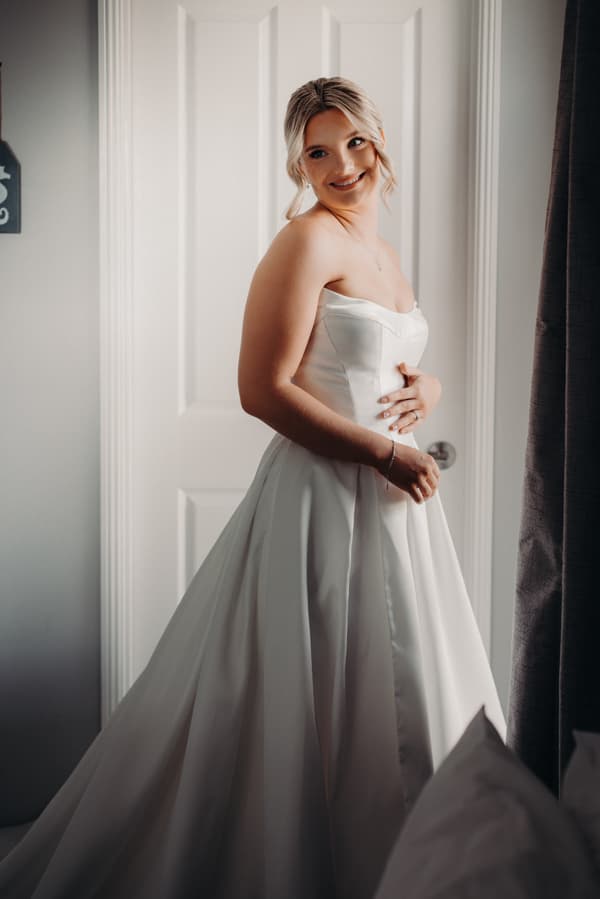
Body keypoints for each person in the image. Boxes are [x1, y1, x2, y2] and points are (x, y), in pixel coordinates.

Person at [0, 76, 506, 899]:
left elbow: (386, 360)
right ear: (297, 165)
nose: (342, 164)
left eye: (354, 143)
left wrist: (432, 390)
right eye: (317, 151)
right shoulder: (304, 243)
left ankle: (413, 859)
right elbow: (262, 389)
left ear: (381, 144)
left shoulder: (383, 252)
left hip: (396, 504)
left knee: (402, 681)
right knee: (311, 691)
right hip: (325, 500)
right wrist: (382, 453)